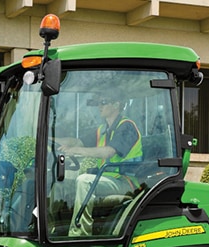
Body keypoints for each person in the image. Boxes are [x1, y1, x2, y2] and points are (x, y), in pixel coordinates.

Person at [54, 93, 143, 236]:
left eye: (103, 102)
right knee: (61, 182)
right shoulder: (103, 129)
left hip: (125, 181)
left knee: (84, 181)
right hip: (106, 179)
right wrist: (50, 138)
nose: (99, 106)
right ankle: (54, 228)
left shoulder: (127, 127)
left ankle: (79, 234)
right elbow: (77, 141)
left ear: (117, 105)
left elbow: (108, 152)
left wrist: (74, 151)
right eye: (98, 103)